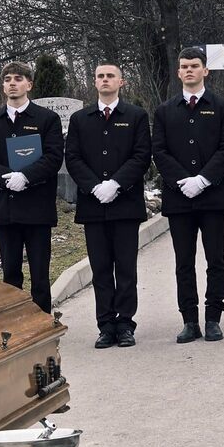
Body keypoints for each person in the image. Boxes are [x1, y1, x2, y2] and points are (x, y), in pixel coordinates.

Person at [152, 45, 224, 343]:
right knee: (184, 263)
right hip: (179, 198)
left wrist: (202, 179)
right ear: (178, 73)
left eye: (194, 66)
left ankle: (213, 318)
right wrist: (181, 181)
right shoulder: (164, 110)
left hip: (213, 196)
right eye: (184, 66)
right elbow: (159, 151)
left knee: (215, 260)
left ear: (205, 71)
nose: (189, 70)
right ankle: (189, 320)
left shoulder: (222, 106)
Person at [65, 63, 152, 348]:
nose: (105, 80)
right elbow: (73, 157)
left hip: (125, 204)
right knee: (100, 269)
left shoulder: (136, 116)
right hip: (93, 206)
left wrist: (115, 184)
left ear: (121, 82)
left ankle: (125, 324)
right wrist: (94, 186)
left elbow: (141, 156)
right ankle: (105, 325)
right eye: (100, 76)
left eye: (110, 76)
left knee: (126, 268)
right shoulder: (80, 119)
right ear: (94, 82)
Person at [0, 61, 64, 313]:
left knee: (40, 275)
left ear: (29, 84)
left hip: (37, 209)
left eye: (18, 79)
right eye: (7, 80)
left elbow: (53, 157)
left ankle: (43, 324)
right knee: (11, 275)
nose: (12, 83)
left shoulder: (47, 119)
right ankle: (15, 326)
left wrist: (25, 176)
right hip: (6, 209)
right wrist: (7, 178)